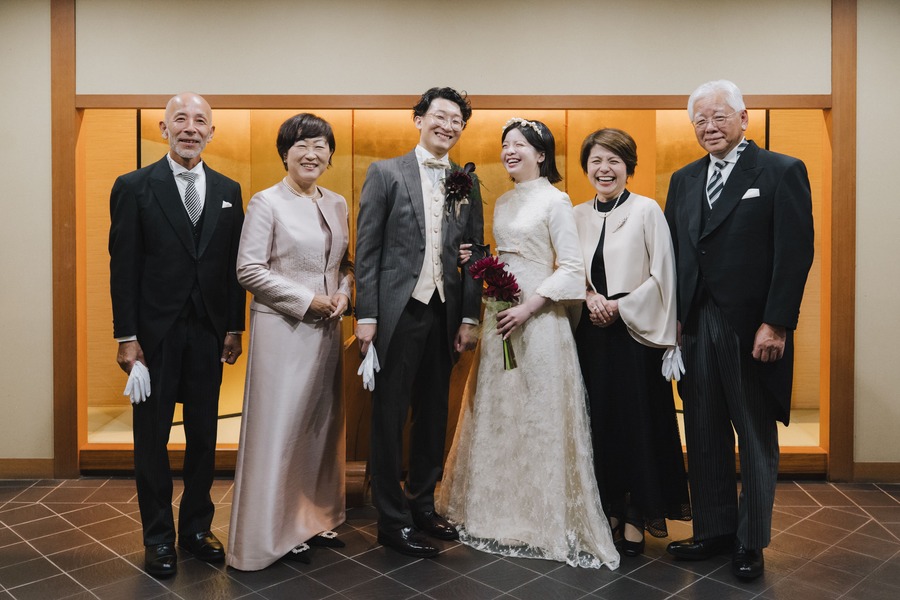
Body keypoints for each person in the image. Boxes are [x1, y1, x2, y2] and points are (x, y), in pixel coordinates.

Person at [438, 118, 619, 570]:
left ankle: (540, 517)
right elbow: (509, 255)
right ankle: (496, 510)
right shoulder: (501, 201)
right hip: (501, 313)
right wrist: (481, 260)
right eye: (506, 144)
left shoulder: (556, 200)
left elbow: (571, 268)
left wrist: (529, 307)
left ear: (541, 154)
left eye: (520, 144)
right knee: (503, 413)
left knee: (538, 413)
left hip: (538, 319)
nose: (510, 151)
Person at [664, 80, 814, 579]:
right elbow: (676, 255)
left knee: (753, 432)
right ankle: (713, 530)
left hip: (751, 327)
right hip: (695, 324)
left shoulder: (780, 171)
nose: (709, 127)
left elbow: (795, 253)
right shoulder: (685, 179)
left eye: (719, 116)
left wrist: (776, 323)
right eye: (700, 120)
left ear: (744, 119)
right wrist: (674, 319)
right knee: (702, 428)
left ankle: (750, 541)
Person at [108, 92, 245, 578]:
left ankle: (196, 529)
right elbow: (122, 267)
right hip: (154, 337)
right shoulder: (134, 187)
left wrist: (234, 326)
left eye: (200, 121)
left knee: (204, 436)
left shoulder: (229, 189)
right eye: (180, 120)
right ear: (164, 129)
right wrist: (127, 336)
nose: (190, 128)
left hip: (208, 332)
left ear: (212, 132)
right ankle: (158, 537)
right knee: (152, 439)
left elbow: (232, 267)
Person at [354, 87, 485, 558]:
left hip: (444, 312)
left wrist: (469, 315)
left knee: (433, 413)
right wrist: (366, 315)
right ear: (419, 119)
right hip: (397, 311)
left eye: (456, 121)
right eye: (440, 116)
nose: (447, 126)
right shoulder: (385, 172)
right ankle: (391, 520)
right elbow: (367, 250)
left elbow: (476, 253)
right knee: (388, 415)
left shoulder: (467, 182)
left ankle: (422, 505)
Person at [227, 114, 353, 571]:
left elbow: (345, 264)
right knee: (279, 431)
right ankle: (272, 533)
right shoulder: (266, 202)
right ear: (285, 153)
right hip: (284, 331)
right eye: (301, 145)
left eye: (320, 146)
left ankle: (311, 520)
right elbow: (248, 270)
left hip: (327, 332)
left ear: (330, 155)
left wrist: (343, 295)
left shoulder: (337, 203)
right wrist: (307, 300)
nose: (311, 154)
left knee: (316, 429)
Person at [572, 128, 691, 557]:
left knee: (637, 423)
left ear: (628, 167)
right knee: (598, 422)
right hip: (591, 334)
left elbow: (664, 275)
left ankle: (639, 513)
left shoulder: (646, 210)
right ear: (586, 167)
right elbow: (569, 269)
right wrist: (589, 297)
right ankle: (608, 509)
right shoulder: (576, 214)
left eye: (614, 161)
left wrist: (619, 306)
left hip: (635, 335)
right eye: (596, 161)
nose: (604, 169)